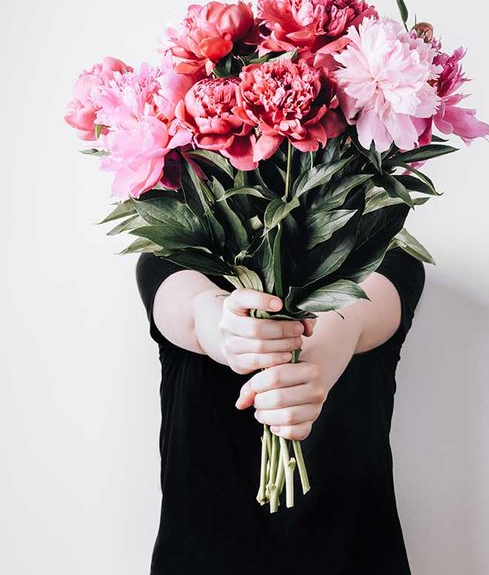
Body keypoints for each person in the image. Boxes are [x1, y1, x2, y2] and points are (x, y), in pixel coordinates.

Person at [135, 246, 425, 575]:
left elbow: (352, 316)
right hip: (200, 557)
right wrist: (233, 335)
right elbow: (198, 312)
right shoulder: (171, 256)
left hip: (353, 557)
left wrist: (310, 362)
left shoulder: (385, 257)